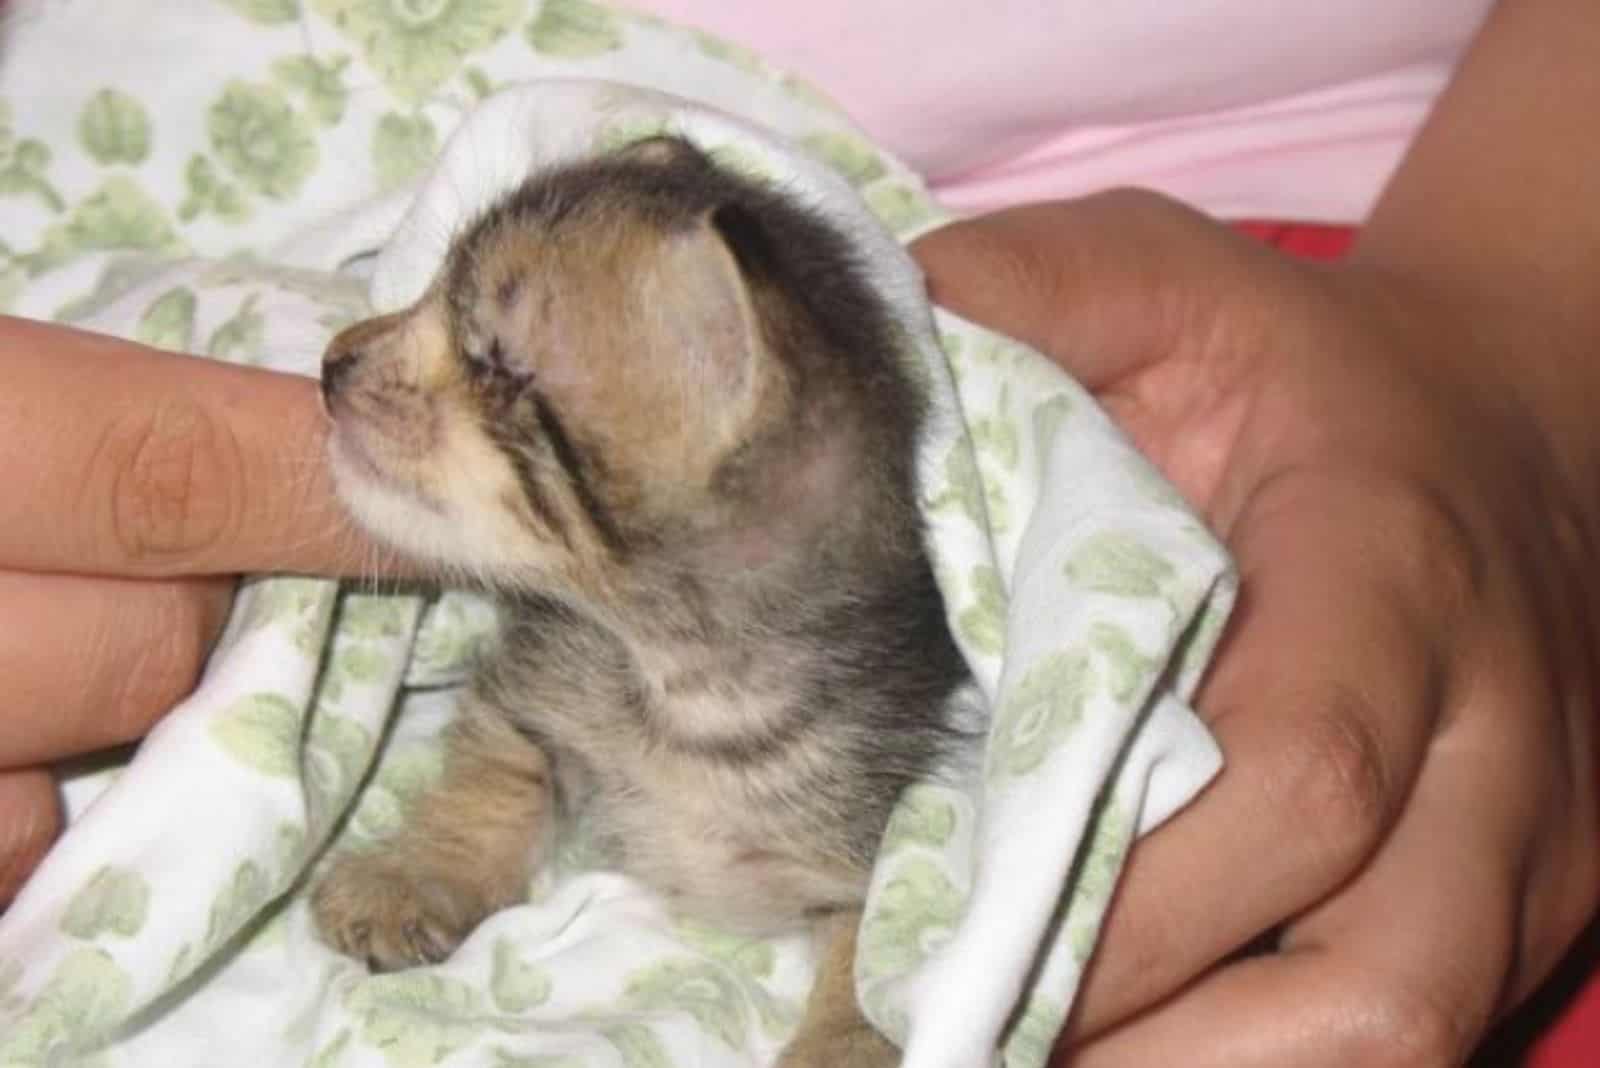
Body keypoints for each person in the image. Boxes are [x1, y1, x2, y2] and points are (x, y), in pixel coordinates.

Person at [2, 0, 1596, 1062]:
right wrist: (451, 853)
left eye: (486, 363)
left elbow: (904, 867)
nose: (355, 363)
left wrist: (1514, 332)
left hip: (1369, 381)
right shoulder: (595, 607)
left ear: (731, 417)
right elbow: (515, 731)